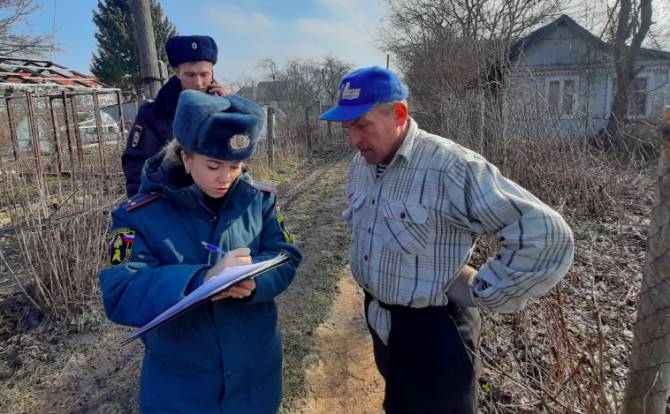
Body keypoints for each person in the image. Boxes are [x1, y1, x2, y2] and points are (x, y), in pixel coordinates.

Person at [320, 66, 574, 414]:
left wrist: (483, 290)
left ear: (399, 114)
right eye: (347, 127)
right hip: (381, 321)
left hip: (435, 334)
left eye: (362, 125)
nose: (353, 139)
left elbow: (546, 234)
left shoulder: (450, 167)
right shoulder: (361, 164)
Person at [100, 90, 302, 413]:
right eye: (213, 166)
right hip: (181, 393)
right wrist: (202, 280)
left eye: (236, 166)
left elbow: (287, 255)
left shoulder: (259, 201)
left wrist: (255, 282)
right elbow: (120, 291)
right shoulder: (136, 217)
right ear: (186, 158)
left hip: (256, 386)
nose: (226, 178)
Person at [122, 35, 229, 196]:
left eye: (204, 74)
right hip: (170, 204)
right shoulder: (154, 114)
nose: (199, 83)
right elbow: (136, 168)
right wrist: (143, 211)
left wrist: (229, 111)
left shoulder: (226, 109)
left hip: (218, 204)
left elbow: (236, 161)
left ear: (212, 71)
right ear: (176, 72)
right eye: (190, 75)